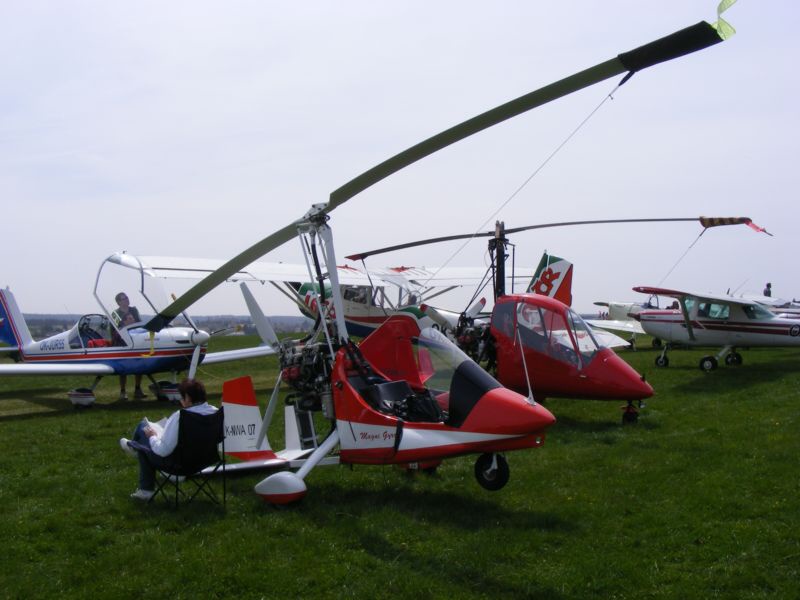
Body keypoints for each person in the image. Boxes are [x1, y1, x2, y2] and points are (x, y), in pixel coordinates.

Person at [119, 378, 217, 501]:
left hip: (178, 465)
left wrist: (153, 436)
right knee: (151, 440)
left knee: (143, 429)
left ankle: (145, 488)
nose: (180, 401)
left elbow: (163, 450)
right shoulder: (216, 413)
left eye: (181, 397)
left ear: (187, 398)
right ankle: (135, 448)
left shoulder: (181, 417)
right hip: (204, 461)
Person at [112, 292, 146, 400]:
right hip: (122, 342)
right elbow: (115, 329)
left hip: (136, 340)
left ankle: (138, 389)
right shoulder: (115, 314)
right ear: (119, 302)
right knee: (123, 368)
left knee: (139, 365)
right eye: (124, 298)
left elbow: (139, 324)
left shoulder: (134, 310)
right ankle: (123, 391)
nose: (127, 299)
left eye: (127, 297)